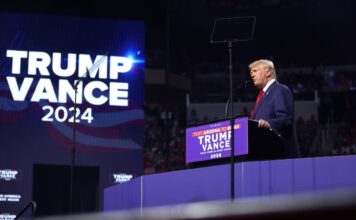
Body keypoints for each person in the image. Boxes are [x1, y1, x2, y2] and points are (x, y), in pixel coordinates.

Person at [249, 59, 300, 158]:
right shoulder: (262, 95)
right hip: (263, 155)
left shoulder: (280, 90)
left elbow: (286, 120)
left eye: (255, 71)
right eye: (251, 72)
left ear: (268, 72)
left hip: (280, 156)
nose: (252, 74)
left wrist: (268, 124)